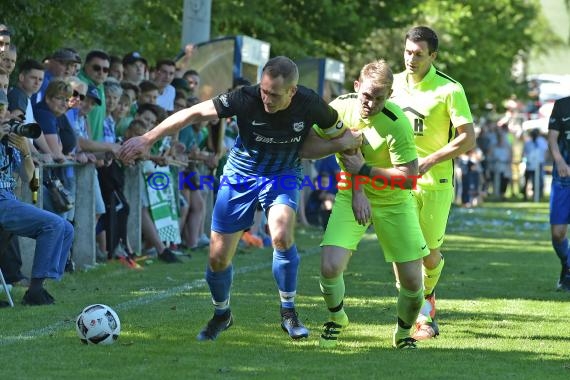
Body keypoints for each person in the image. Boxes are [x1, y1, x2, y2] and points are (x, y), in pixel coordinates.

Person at [119, 56, 362, 341]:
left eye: (274, 94)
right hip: (240, 175)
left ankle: (289, 312)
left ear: (293, 91)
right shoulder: (244, 97)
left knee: (282, 234)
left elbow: (345, 145)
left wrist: (358, 190)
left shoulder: (312, 105)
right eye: (264, 90)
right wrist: (147, 138)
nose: (267, 99)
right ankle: (222, 314)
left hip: (282, 173)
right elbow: (193, 114)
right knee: (218, 259)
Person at [304, 60, 428, 349]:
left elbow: (409, 179)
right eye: (366, 95)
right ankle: (337, 319)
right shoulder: (339, 108)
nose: (370, 103)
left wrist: (364, 170)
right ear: (356, 87)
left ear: (390, 97)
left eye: (379, 98)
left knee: (412, 283)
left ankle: (402, 332)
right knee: (330, 266)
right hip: (350, 193)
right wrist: (342, 145)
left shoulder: (397, 124)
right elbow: (306, 148)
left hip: (395, 201)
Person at [390, 26, 475, 340]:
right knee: (405, 251)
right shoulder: (392, 84)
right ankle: (420, 316)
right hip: (398, 182)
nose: (411, 59)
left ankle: (427, 297)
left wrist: (428, 161)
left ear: (433, 56)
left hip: (435, 181)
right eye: (408, 52)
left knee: (429, 255)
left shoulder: (450, 90)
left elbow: (468, 139)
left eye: (419, 54)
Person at [0, 89, 74, 305]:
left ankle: (42, 283)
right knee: (52, 225)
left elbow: (33, 182)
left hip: (8, 199)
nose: (2, 114)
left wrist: (25, 152)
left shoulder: (9, 141)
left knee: (66, 227)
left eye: (3, 109)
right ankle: (35, 290)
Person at [546, 95, 570, 291]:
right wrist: (560, 161)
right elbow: (552, 138)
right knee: (558, 233)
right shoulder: (562, 105)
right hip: (563, 176)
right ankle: (567, 264)